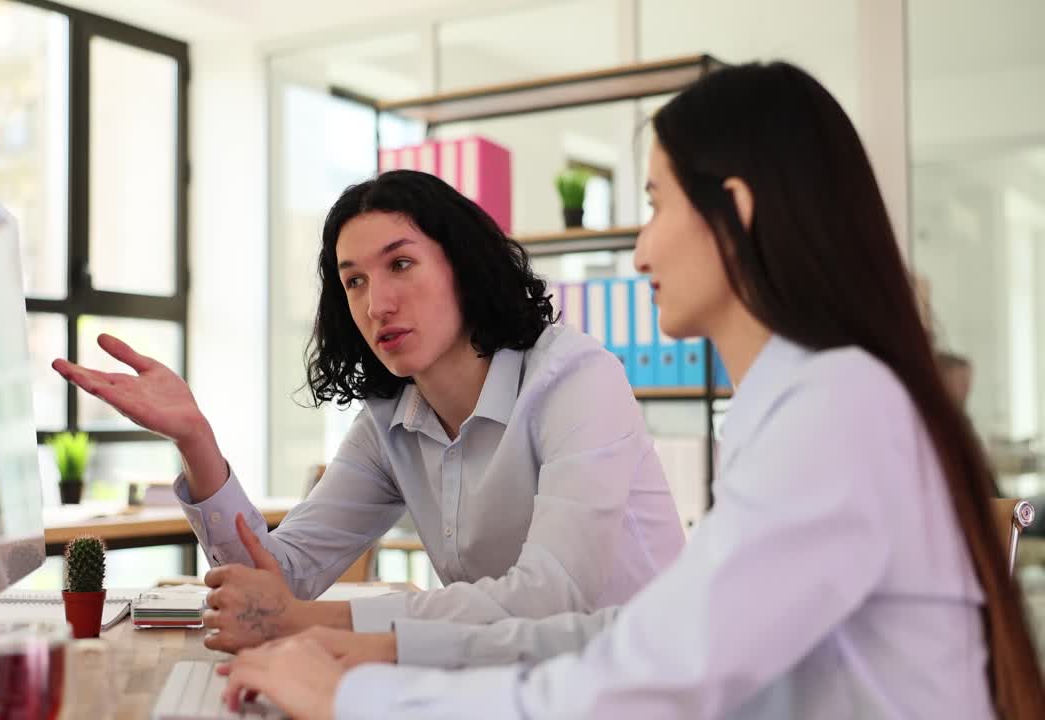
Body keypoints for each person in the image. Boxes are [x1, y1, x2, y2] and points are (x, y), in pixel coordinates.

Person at [216, 61, 1045, 719]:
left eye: (654, 204)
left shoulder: (836, 410)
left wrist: (355, 693)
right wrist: (396, 655)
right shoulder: (789, 406)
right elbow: (634, 637)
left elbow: (654, 680)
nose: (640, 251)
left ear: (736, 211)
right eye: (355, 281)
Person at [52, 170, 685, 652]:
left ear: (464, 268)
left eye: (401, 264)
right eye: (353, 280)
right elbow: (280, 579)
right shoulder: (391, 421)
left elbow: (552, 599)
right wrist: (196, 440)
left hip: (640, 686)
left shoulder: (575, 378)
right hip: (507, 680)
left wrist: (316, 622)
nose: (376, 302)